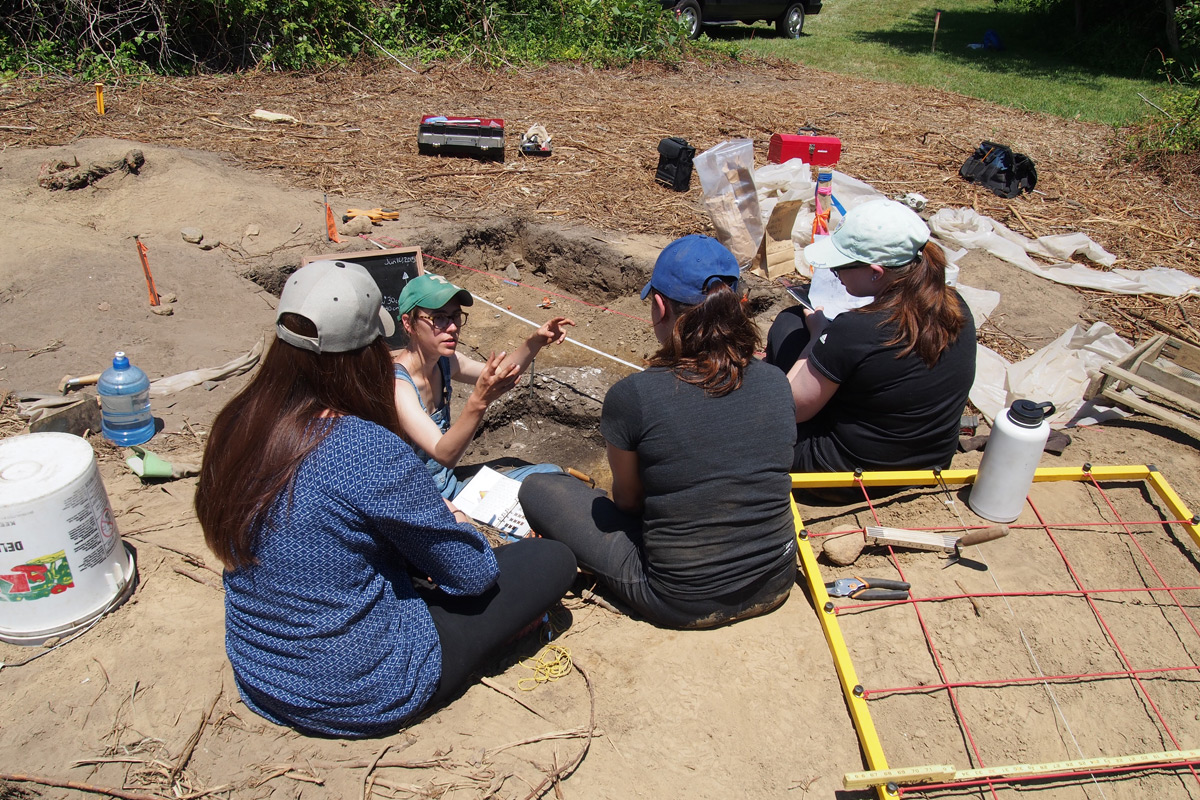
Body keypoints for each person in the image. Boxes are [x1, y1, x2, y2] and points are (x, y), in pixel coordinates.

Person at [195, 260, 577, 738]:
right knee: (551, 559)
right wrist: (455, 524)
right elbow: (473, 575)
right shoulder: (364, 445)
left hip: (262, 669)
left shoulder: (237, 422)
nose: (450, 325)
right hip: (363, 686)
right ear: (374, 346)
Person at [518, 235, 798, 629]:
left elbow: (628, 503)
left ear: (661, 306)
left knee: (539, 488)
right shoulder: (775, 381)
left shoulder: (635, 395)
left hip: (680, 598)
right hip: (776, 579)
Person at [765, 198, 977, 474]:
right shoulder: (954, 305)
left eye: (840, 266)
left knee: (789, 324)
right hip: (931, 461)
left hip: (850, 470)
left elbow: (792, 408)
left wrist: (818, 335)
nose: (835, 273)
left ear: (876, 273)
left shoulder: (857, 328)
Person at [392, 273, 574, 502]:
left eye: (455, 316)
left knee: (551, 474)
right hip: (424, 504)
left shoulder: (445, 362)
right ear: (409, 323)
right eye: (438, 318)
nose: (451, 328)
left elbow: (501, 373)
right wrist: (479, 401)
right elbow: (443, 454)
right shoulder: (398, 386)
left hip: (450, 487)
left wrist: (535, 341)